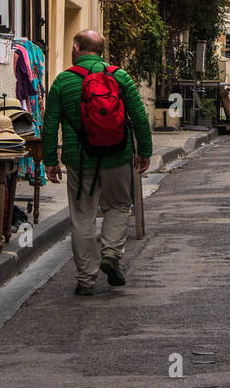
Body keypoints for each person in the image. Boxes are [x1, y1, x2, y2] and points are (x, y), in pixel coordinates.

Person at [43, 29, 153, 295]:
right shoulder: (120, 76)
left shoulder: (63, 81)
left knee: (82, 216)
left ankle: (86, 279)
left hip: (80, 160)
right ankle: (112, 254)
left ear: (76, 47)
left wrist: (49, 160)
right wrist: (144, 151)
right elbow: (139, 117)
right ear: (102, 50)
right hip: (118, 155)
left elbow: (49, 125)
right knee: (117, 206)